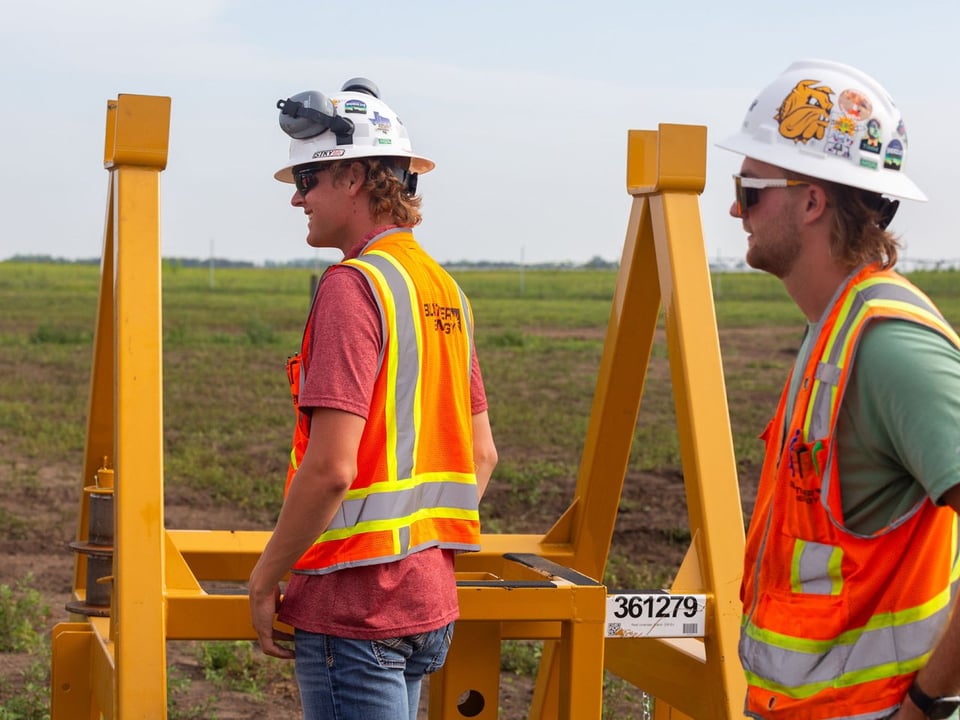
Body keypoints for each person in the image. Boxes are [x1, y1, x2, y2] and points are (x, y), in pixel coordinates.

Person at [248, 77, 498, 720]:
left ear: (355, 177)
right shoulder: (444, 290)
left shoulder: (352, 287)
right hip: (426, 605)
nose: (298, 198)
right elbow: (482, 454)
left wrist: (266, 575)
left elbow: (332, 469)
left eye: (309, 178)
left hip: (353, 614)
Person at [718, 59, 960, 720]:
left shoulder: (890, 346)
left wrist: (928, 703)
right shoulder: (834, 330)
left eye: (751, 187)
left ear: (813, 201)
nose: (735, 207)